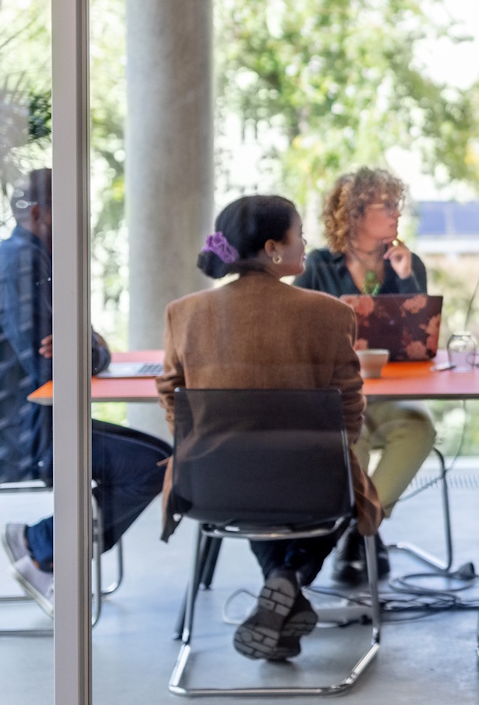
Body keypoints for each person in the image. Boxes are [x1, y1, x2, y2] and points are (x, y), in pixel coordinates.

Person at [157, 195, 377, 662]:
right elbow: (349, 407)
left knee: (250, 477)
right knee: (342, 485)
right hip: (313, 485)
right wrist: (335, 449)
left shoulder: (184, 313)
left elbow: (171, 394)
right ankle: (290, 578)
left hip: (211, 484)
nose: (306, 244)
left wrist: (195, 443)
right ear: (274, 248)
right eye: (300, 235)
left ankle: (279, 589)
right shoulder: (331, 313)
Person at [0, 168, 166, 617]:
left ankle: (43, 546)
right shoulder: (22, 265)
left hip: (30, 424)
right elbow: (56, 362)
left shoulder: (33, 257)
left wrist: (88, 345)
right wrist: (87, 347)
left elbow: (80, 346)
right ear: (39, 215)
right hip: (6, 439)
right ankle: (40, 547)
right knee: (152, 468)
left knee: (161, 461)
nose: (82, 220)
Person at [292, 168, 440, 585]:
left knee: (419, 429)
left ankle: (357, 531)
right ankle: (363, 534)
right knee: (347, 438)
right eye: (386, 206)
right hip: (339, 399)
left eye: (397, 204)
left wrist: (407, 279)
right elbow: (297, 335)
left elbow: (422, 340)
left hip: (390, 396)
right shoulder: (318, 267)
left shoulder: (408, 264)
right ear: (355, 213)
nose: (396, 213)